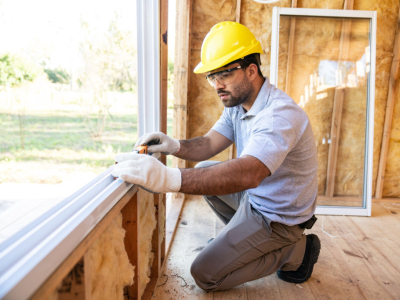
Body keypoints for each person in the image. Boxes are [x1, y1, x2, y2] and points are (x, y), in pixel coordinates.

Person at [112, 21, 320, 291]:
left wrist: (169, 179)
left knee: (205, 274)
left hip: (279, 218)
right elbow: (210, 143)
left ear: (251, 71)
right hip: (258, 200)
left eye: (224, 75)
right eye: (212, 76)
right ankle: (244, 245)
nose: (217, 85)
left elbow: (249, 173)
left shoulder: (278, 115)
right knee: (206, 167)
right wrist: (173, 145)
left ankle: (297, 251)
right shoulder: (239, 103)